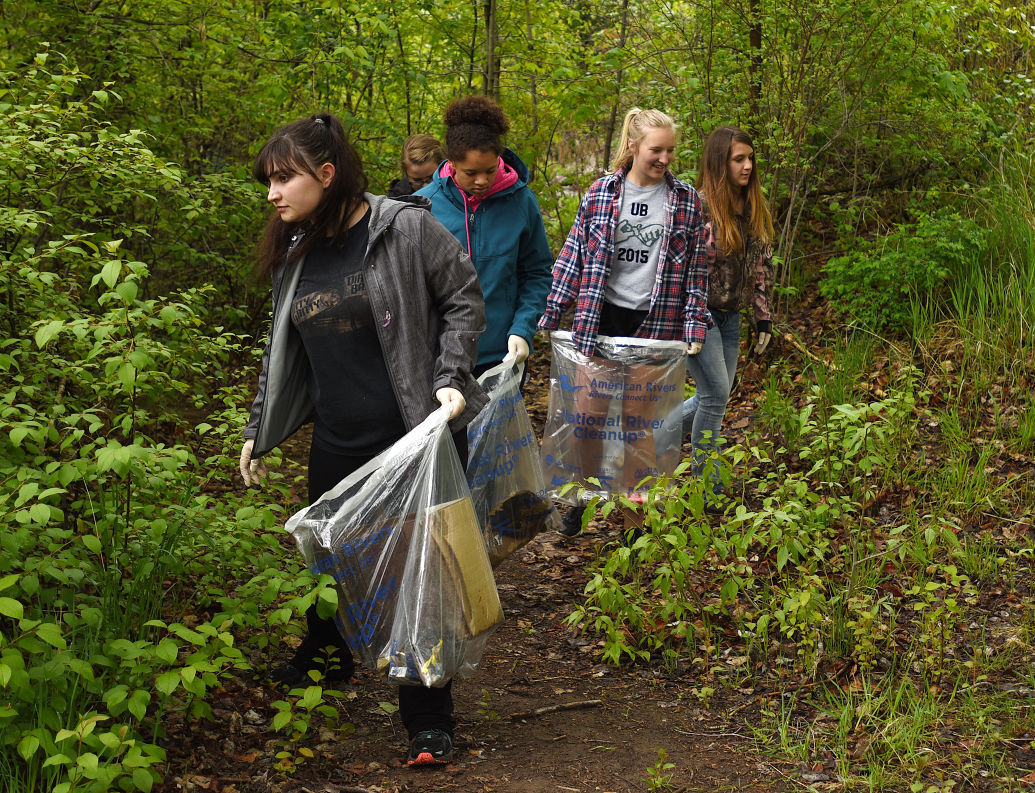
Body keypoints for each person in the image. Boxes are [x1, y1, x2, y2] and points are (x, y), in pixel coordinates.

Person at [237, 113, 487, 766]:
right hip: (339, 440)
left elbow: (462, 294)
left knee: (418, 578)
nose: (272, 193)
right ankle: (327, 655)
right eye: (268, 181)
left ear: (325, 174)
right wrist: (258, 429)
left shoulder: (401, 227)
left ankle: (428, 717)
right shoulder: (296, 248)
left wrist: (451, 377)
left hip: (411, 435)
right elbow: (282, 349)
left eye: (282, 178)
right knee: (329, 554)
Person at [537, 108, 711, 536]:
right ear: (633, 146)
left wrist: (693, 327)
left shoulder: (686, 201)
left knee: (638, 426)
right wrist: (553, 310)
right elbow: (573, 255)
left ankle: (635, 522)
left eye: (671, 150)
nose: (665, 158)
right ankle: (582, 496)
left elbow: (696, 272)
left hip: (656, 325)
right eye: (657, 149)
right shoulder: (600, 194)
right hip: (598, 321)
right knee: (588, 419)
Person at [415, 95, 553, 375]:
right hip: (439, 357)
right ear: (451, 163)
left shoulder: (522, 202)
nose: (482, 181)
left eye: (490, 170)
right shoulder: (421, 207)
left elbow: (537, 273)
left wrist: (523, 328)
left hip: (503, 355)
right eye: (471, 173)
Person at [679, 125, 775, 503]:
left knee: (714, 394)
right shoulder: (698, 206)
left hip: (730, 317)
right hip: (698, 314)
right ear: (721, 162)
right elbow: (681, 266)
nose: (748, 166)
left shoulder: (752, 206)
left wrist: (763, 316)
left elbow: (762, 265)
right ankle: (706, 485)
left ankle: (649, 434)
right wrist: (684, 319)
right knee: (716, 394)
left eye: (750, 158)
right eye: (739, 159)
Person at [386, 133, 445, 197]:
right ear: (406, 174)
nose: (426, 186)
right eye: (417, 181)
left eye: (432, 177)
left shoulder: (453, 187)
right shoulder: (398, 198)